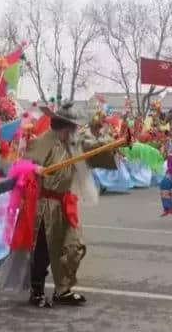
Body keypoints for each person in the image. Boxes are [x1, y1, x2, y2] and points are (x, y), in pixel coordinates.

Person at [24, 102, 116, 308]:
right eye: (72, 125)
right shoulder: (42, 142)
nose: (75, 129)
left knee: (74, 246)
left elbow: (94, 150)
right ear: (63, 126)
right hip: (45, 205)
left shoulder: (73, 144)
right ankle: (36, 291)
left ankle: (62, 289)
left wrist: (116, 142)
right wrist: (34, 169)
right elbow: (22, 168)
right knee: (43, 250)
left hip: (65, 202)